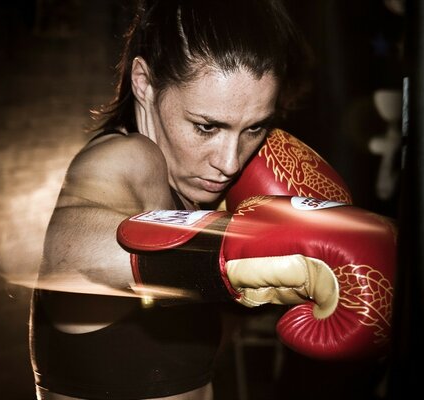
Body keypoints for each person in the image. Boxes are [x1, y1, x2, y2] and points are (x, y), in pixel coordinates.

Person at [29, 0, 313, 399]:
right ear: (144, 83)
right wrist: (248, 246)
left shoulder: (194, 200)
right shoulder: (131, 158)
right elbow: (66, 252)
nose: (230, 162)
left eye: (255, 128)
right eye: (206, 126)